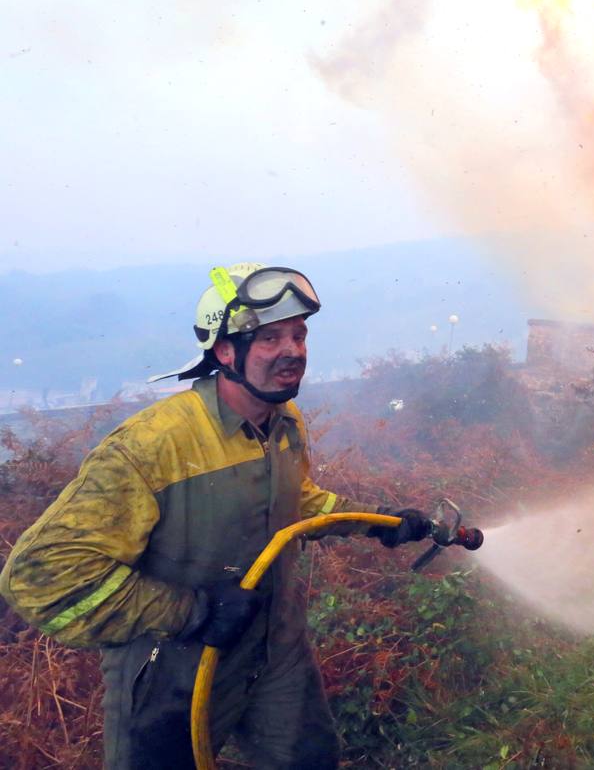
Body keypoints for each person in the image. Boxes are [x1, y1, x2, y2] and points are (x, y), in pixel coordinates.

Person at [0, 263, 434, 769]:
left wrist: (378, 521)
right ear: (225, 351)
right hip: (174, 670)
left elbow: (298, 499)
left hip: (276, 653)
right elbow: (41, 574)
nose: (293, 351)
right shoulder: (153, 445)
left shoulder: (282, 420)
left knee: (308, 759)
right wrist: (192, 612)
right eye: (270, 338)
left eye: (299, 335)